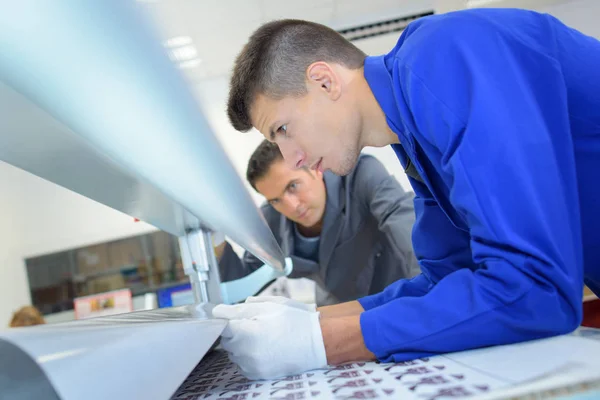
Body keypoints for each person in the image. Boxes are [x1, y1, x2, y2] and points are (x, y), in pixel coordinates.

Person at [213, 8, 600, 380]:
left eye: (282, 129)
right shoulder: (413, 133)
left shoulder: (446, 53)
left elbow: (535, 288)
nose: (292, 159)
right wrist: (308, 321)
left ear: (324, 81)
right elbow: (449, 278)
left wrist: (322, 343)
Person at [217, 139, 420, 306]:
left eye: (293, 186)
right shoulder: (272, 218)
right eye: (275, 200)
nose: (291, 206)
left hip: (400, 293)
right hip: (340, 307)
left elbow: (407, 226)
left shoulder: (360, 174)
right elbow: (243, 286)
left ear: (314, 169)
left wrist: (427, 294)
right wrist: (215, 238)